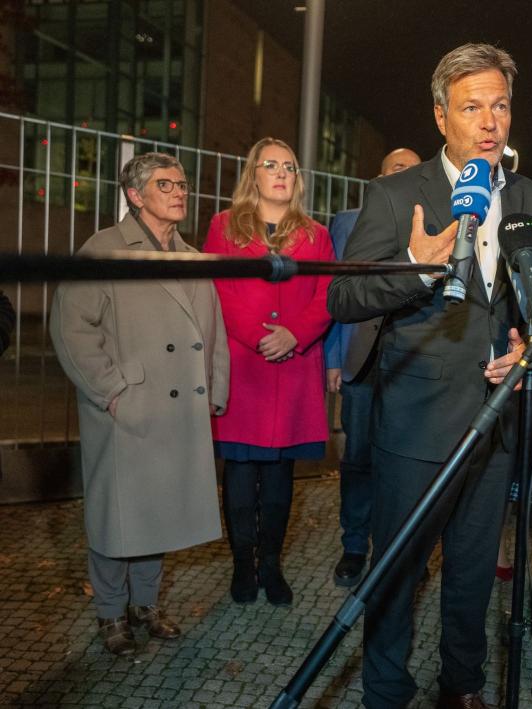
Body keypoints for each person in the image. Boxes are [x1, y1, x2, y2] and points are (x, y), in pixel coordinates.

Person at [327, 43, 532, 709]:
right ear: (440, 116)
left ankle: (463, 684)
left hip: (494, 421)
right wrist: (415, 267)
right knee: (395, 570)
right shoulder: (397, 195)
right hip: (415, 422)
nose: (489, 120)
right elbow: (344, 299)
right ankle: (386, 690)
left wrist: (529, 342)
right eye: (471, 106)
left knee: (474, 573)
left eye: (500, 105)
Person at [49, 152, 229, 656]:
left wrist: (214, 390)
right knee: (116, 516)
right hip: (128, 407)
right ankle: (111, 614)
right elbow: (71, 328)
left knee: (160, 511)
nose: (179, 191)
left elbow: (212, 333)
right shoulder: (103, 250)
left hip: (176, 411)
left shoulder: (192, 256)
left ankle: (144, 605)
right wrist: (112, 391)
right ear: (134, 194)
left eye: (182, 183)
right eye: (166, 184)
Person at [203, 137, 334, 607]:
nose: (282, 173)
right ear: (253, 173)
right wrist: (259, 335)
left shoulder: (316, 235)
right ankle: (243, 565)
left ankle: (272, 566)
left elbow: (326, 295)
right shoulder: (224, 226)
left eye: (290, 167)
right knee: (239, 475)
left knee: (280, 478)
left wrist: (294, 335)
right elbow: (218, 289)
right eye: (271, 165)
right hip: (246, 368)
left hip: (294, 368)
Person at [326, 147, 422, 588]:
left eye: (411, 171)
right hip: (361, 360)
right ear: (379, 179)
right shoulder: (345, 223)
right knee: (358, 459)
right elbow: (335, 291)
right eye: (395, 170)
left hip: (412, 363)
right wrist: (333, 358)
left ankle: (401, 553)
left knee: (405, 464)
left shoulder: (437, 219)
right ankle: (353, 546)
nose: (403, 176)